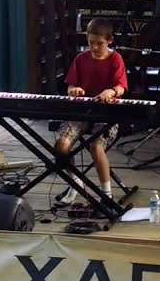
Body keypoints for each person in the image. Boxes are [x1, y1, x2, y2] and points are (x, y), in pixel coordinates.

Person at [52, 18, 127, 207]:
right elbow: (70, 86)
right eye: (90, 42)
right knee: (61, 144)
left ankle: (106, 193)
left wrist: (112, 91)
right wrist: (74, 90)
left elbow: (121, 87)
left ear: (110, 41)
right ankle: (76, 184)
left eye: (99, 43)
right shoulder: (80, 59)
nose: (94, 47)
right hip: (82, 112)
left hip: (107, 114)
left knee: (96, 146)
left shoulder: (115, 59)